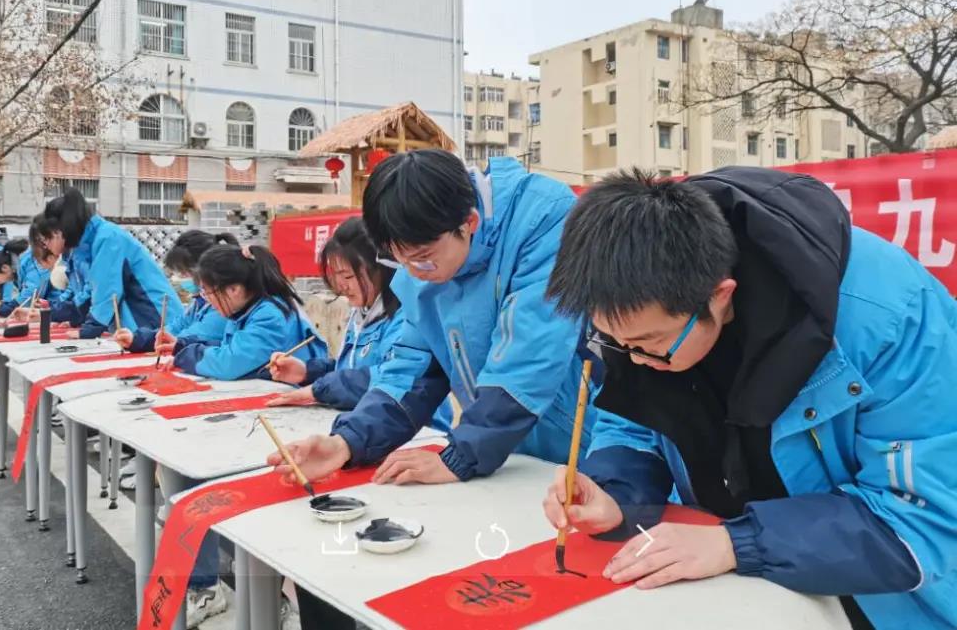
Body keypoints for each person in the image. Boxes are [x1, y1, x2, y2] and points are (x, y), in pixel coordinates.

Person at [541, 167, 957, 630]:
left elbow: (925, 519)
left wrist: (737, 544)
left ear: (720, 297)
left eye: (649, 344)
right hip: (741, 585)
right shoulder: (637, 305)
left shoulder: (891, 320)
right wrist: (616, 492)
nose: (635, 360)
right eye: (616, 343)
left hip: (886, 600)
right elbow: (634, 416)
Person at [267, 151, 641, 489]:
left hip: (586, 444)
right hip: (503, 458)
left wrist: (461, 455)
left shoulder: (541, 217)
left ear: (470, 222)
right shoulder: (418, 271)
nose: (415, 271)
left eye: (424, 256)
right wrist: (346, 442)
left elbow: (531, 354)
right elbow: (408, 370)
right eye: (401, 259)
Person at [267, 217, 404, 410]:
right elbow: (349, 370)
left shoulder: (405, 319)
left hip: (418, 432)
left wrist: (320, 389)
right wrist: (307, 372)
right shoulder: (361, 314)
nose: (341, 286)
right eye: (336, 276)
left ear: (381, 269)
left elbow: (389, 379)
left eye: (348, 276)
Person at [29, 188, 180, 339]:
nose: (47, 246)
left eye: (45, 240)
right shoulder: (86, 247)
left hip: (156, 316)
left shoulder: (107, 238)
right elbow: (88, 295)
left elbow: (107, 291)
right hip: (141, 323)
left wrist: (89, 328)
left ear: (58, 232)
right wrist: (54, 313)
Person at [165, 244, 327, 379]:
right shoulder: (245, 310)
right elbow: (232, 347)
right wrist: (182, 346)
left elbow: (230, 364)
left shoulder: (269, 315)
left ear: (234, 289)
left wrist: (187, 355)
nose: (207, 300)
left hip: (293, 394)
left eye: (208, 292)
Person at [111, 230, 232, 353]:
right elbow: (175, 327)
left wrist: (162, 342)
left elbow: (195, 337)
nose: (179, 278)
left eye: (185, 273)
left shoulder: (225, 304)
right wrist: (137, 339)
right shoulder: (200, 301)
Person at [0, 239, 59, 317]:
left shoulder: (31, 259)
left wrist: (12, 306)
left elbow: (33, 290)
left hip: (61, 303)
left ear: (4, 268)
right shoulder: (16, 269)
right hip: (52, 306)